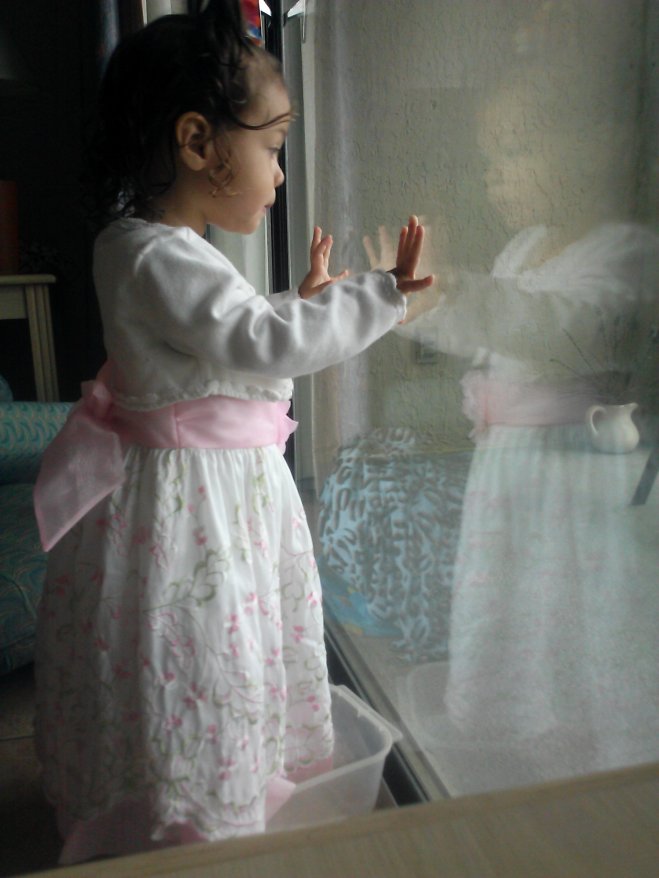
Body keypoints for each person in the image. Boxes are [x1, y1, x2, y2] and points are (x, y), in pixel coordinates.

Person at [32, 0, 432, 863]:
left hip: (191, 489)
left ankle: (193, 783)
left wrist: (300, 301)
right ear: (196, 142)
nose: (279, 174)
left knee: (196, 648)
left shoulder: (141, 246)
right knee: (203, 644)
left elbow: (219, 345)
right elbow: (258, 342)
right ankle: (193, 807)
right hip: (195, 508)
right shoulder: (157, 255)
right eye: (272, 147)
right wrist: (379, 297)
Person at [370, 64, 659, 787]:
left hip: (573, 469)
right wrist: (421, 308)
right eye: (490, 156)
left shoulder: (627, 249)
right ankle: (514, 724)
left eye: (517, 150)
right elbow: (489, 335)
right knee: (509, 591)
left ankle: (583, 739)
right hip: (509, 470)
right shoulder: (523, 245)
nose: (496, 174)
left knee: (571, 601)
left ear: (594, 149)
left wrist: (454, 291)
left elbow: (559, 328)